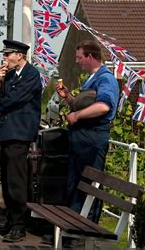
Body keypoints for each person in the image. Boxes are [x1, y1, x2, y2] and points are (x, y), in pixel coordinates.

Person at [55, 39, 119, 223]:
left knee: (89, 186)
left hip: (92, 139)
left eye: (79, 57)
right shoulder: (91, 79)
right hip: (80, 140)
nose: (77, 61)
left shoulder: (106, 78)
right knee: (75, 185)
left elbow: (104, 106)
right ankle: (73, 225)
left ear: (91, 56)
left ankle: (86, 229)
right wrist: (68, 97)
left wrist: (77, 116)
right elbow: (83, 104)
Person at [0, 40, 42, 243]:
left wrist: (1, 104)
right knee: (7, 178)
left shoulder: (31, 75)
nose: (5, 58)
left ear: (19, 55)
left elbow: (14, 100)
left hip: (20, 133)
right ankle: (11, 219)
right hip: (7, 133)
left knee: (17, 181)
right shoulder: (9, 75)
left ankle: (20, 225)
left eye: (8, 54)